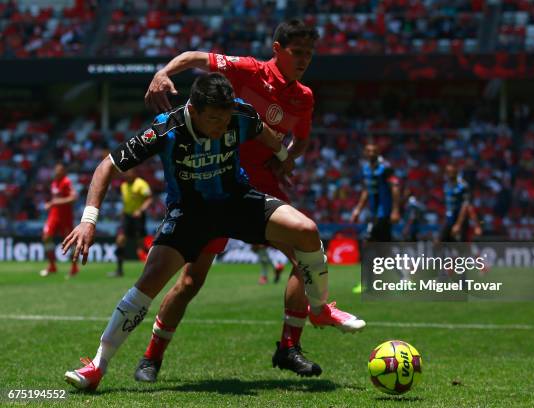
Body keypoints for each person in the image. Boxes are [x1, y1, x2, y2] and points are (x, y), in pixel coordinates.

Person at [62, 73, 365, 391]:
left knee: (306, 230)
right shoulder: (166, 129)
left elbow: (265, 133)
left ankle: (318, 309)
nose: (222, 126)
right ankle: (98, 365)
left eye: (225, 119)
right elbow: (106, 166)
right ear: (193, 110)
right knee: (150, 282)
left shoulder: (240, 114)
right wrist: (89, 220)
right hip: (190, 214)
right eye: (214, 120)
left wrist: (283, 158)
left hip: (237, 201)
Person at [136, 19, 362, 382]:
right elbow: (194, 57)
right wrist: (163, 72)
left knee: (306, 256)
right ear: (277, 49)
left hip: (264, 188)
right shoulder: (247, 70)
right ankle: (152, 357)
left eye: (309, 53)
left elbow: (300, 141)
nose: (305, 59)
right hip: (218, 183)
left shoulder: (303, 97)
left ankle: (289, 348)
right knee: (191, 282)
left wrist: (286, 157)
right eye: (297, 52)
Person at [350, 141, 401, 293]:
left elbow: (395, 188)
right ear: (365, 153)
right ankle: (404, 278)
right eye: (368, 151)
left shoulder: (385, 168)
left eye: (374, 151)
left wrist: (395, 210)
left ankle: (367, 283)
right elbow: (367, 190)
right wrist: (358, 209)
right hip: (374, 213)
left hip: (383, 214)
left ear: (378, 152)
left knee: (367, 243)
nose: (371, 153)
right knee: (386, 249)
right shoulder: (366, 168)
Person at [110, 169, 153, 277]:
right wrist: (122, 212)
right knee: (120, 240)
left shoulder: (141, 184)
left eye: (129, 172)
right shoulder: (123, 186)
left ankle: (151, 270)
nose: (127, 175)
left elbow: (149, 199)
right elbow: (127, 201)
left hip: (138, 217)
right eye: (126, 173)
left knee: (141, 245)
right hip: (127, 217)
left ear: (134, 173)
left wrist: (140, 210)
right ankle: (119, 270)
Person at [39, 163, 79, 277]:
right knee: (46, 237)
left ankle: (74, 268)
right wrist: (52, 203)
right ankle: (52, 266)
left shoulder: (67, 182)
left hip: (65, 217)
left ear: (64, 172)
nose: (57, 172)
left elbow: (73, 197)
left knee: (70, 243)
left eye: (60, 170)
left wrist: (54, 202)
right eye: (56, 170)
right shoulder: (54, 183)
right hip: (53, 215)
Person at [439, 164, 481, 243]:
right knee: (440, 243)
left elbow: (466, 206)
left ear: (456, 172)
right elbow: (447, 205)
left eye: (451, 172)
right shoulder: (446, 185)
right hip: (448, 220)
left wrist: (458, 224)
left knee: (461, 247)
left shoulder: (462, 186)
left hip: (460, 221)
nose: (449, 174)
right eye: (447, 172)